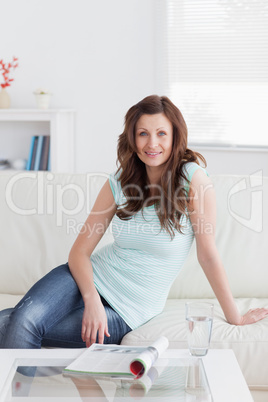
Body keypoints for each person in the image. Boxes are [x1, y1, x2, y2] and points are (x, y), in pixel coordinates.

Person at [0, 95, 267, 350]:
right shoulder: (120, 180)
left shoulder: (193, 180)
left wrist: (236, 317)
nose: (152, 143)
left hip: (128, 309)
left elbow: (208, 256)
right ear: (132, 138)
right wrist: (91, 299)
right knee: (24, 320)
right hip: (86, 277)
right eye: (143, 133)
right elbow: (79, 252)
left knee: (16, 324)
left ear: (175, 136)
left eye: (161, 133)